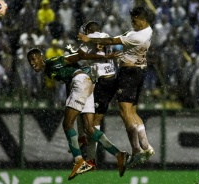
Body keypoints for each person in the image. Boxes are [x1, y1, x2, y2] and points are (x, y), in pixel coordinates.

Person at [27, 48, 129, 180]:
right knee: (90, 129)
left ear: (41, 57)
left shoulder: (52, 63)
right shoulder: (49, 71)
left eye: (34, 59)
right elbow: (69, 79)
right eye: (30, 61)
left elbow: (78, 56)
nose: (32, 63)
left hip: (80, 82)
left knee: (67, 124)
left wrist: (105, 55)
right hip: (86, 83)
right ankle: (119, 155)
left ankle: (79, 160)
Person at [77, 6, 155, 167]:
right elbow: (114, 39)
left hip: (127, 73)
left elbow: (112, 41)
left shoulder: (136, 36)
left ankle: (136, 150)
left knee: (123, 111)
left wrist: (89, 40)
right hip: (139, 71)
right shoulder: (148, 31)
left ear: (142, 20)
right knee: (132, 111)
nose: (132, 23)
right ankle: (146, 146)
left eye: (134, 21)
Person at [67, 21, 121, 170]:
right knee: (94, 121)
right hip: (111, 81)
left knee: (81, 110)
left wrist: (69, 56)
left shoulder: (89, 38)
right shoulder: (106, 36)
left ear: (88, 31)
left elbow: (79, 56)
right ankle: (90, 157)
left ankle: (87, 150)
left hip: (101, 82)